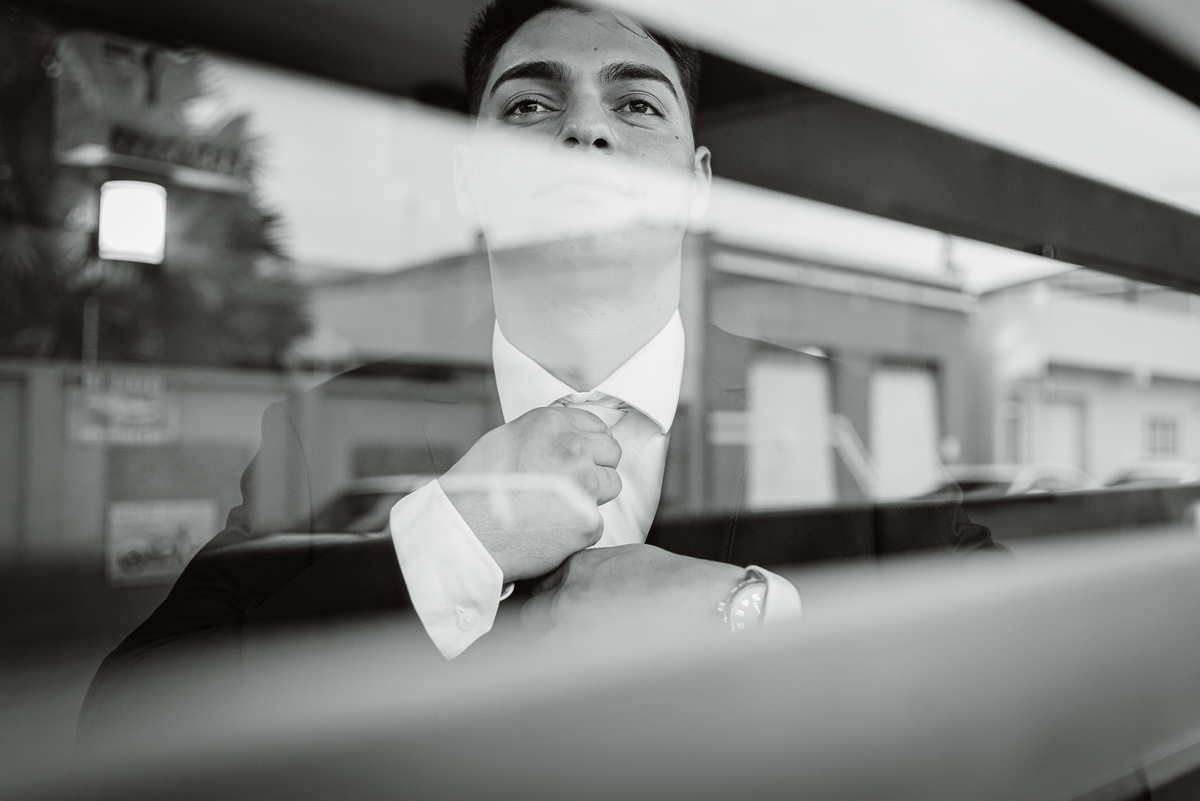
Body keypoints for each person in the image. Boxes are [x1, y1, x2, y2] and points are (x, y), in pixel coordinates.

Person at [82, 0, 996, 724]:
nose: (585, 130)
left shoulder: (838, 413)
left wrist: (753, 615)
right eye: (530, 105)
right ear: (469, 179)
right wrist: (452, 541)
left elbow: (1018, 636)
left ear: (699, 186)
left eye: (636, 104)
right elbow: (132, 721)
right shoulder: (322, 432)